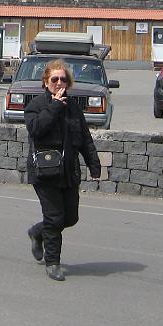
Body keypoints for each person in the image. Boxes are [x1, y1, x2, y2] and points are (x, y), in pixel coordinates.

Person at [24, 60, 101, 281]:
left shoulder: (74, 108)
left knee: (70, 218)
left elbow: (85, 139)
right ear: (46, 82)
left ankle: (37, 232)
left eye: (63, 79)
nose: (59, 83)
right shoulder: (36, 106)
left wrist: (94, 165)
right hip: (44, 173)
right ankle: (53, 262)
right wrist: (55, 106)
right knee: (55, 217)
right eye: (54, 79)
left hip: (68, 172)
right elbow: (36, 129)